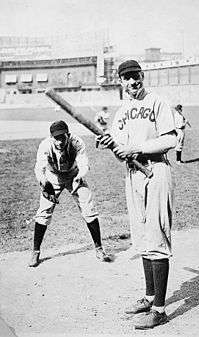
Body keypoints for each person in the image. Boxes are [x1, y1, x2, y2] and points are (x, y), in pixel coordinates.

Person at [98, 60, 177, 329]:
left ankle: (160, 309)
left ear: (142, 76)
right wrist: (108, 142)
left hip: (155, 171)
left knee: (156, 236)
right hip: (134, 174)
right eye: (127, 78)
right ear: (120, 81)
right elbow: (118, 143)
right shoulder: (124, 109)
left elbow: (170, 139)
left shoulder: (157, 102)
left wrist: (137, 149)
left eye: (136, 76)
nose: (132, 82)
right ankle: (149, 296)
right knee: (142, 238)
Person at [29, 120, 111, 267]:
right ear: (51, 137)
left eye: (62, 137)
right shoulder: (45, 145)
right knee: (43, 212)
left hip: (74, 175)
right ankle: (35, 252)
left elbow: (84, 164)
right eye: (56, 138)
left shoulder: (77, 142)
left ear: (68, 134)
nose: (59, 141)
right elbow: (39, 168)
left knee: (89, 209)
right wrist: (44, 182)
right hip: (52, 176)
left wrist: (80, 177)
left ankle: (99, 248)